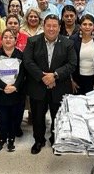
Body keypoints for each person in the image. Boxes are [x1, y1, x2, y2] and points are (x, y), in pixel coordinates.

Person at [23, 15, 77, 154]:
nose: (51, 29)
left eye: (54, 26)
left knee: (57, 116)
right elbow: (28, 61)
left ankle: (55, 139)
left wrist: (55, 76)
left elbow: (72, 64)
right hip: (37, 86)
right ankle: (38, 140)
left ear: (59, 27)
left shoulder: (68, 43)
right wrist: (43, 77)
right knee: (37, 117)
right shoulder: (33, 41)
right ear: (43, 26)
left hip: (59, 86)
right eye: (48, 25)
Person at [0, 29, 26, 152]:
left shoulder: (20, 54)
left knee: (14, 117)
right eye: (5, 37)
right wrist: (4, 86)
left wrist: (15, 86)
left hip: (16, 92)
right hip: (2, 92)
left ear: (15, 40)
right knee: (3, 117)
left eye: (11, 37)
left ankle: (11, 139)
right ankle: (2, 139)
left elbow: (22, 74)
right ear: (1, 40)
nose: (8, 39)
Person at [70, 14, 94, 95]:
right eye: (84, 24)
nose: (87, 27)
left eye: (90, 24)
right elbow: (68, 61)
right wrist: (71, 80)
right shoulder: (73, 40)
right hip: (77, 79)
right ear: (80, 26)